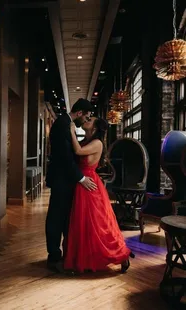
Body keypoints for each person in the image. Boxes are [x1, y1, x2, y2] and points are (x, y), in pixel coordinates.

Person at [64, 117, 134, 273]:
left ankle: (121, 255)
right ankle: (87, 259)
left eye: (91, 120)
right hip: (82, 183)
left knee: (99, 224)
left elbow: (78, 151)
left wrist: (71, 132)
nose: (87, 120)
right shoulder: (87, 140)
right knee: (85, 224)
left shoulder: (97, 143)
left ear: (94, 128)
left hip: (90, 184)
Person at [45, 98, 97, 272]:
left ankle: (65, 254)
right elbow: (65, 158)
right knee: (56, 219)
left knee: (64, 218)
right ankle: (54, 257)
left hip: (66, 179)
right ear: (80, 112)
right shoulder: (63, 124)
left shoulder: (67, 123)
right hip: (62, 180)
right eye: (87, 116)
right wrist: (81, 178)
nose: (86, 120)